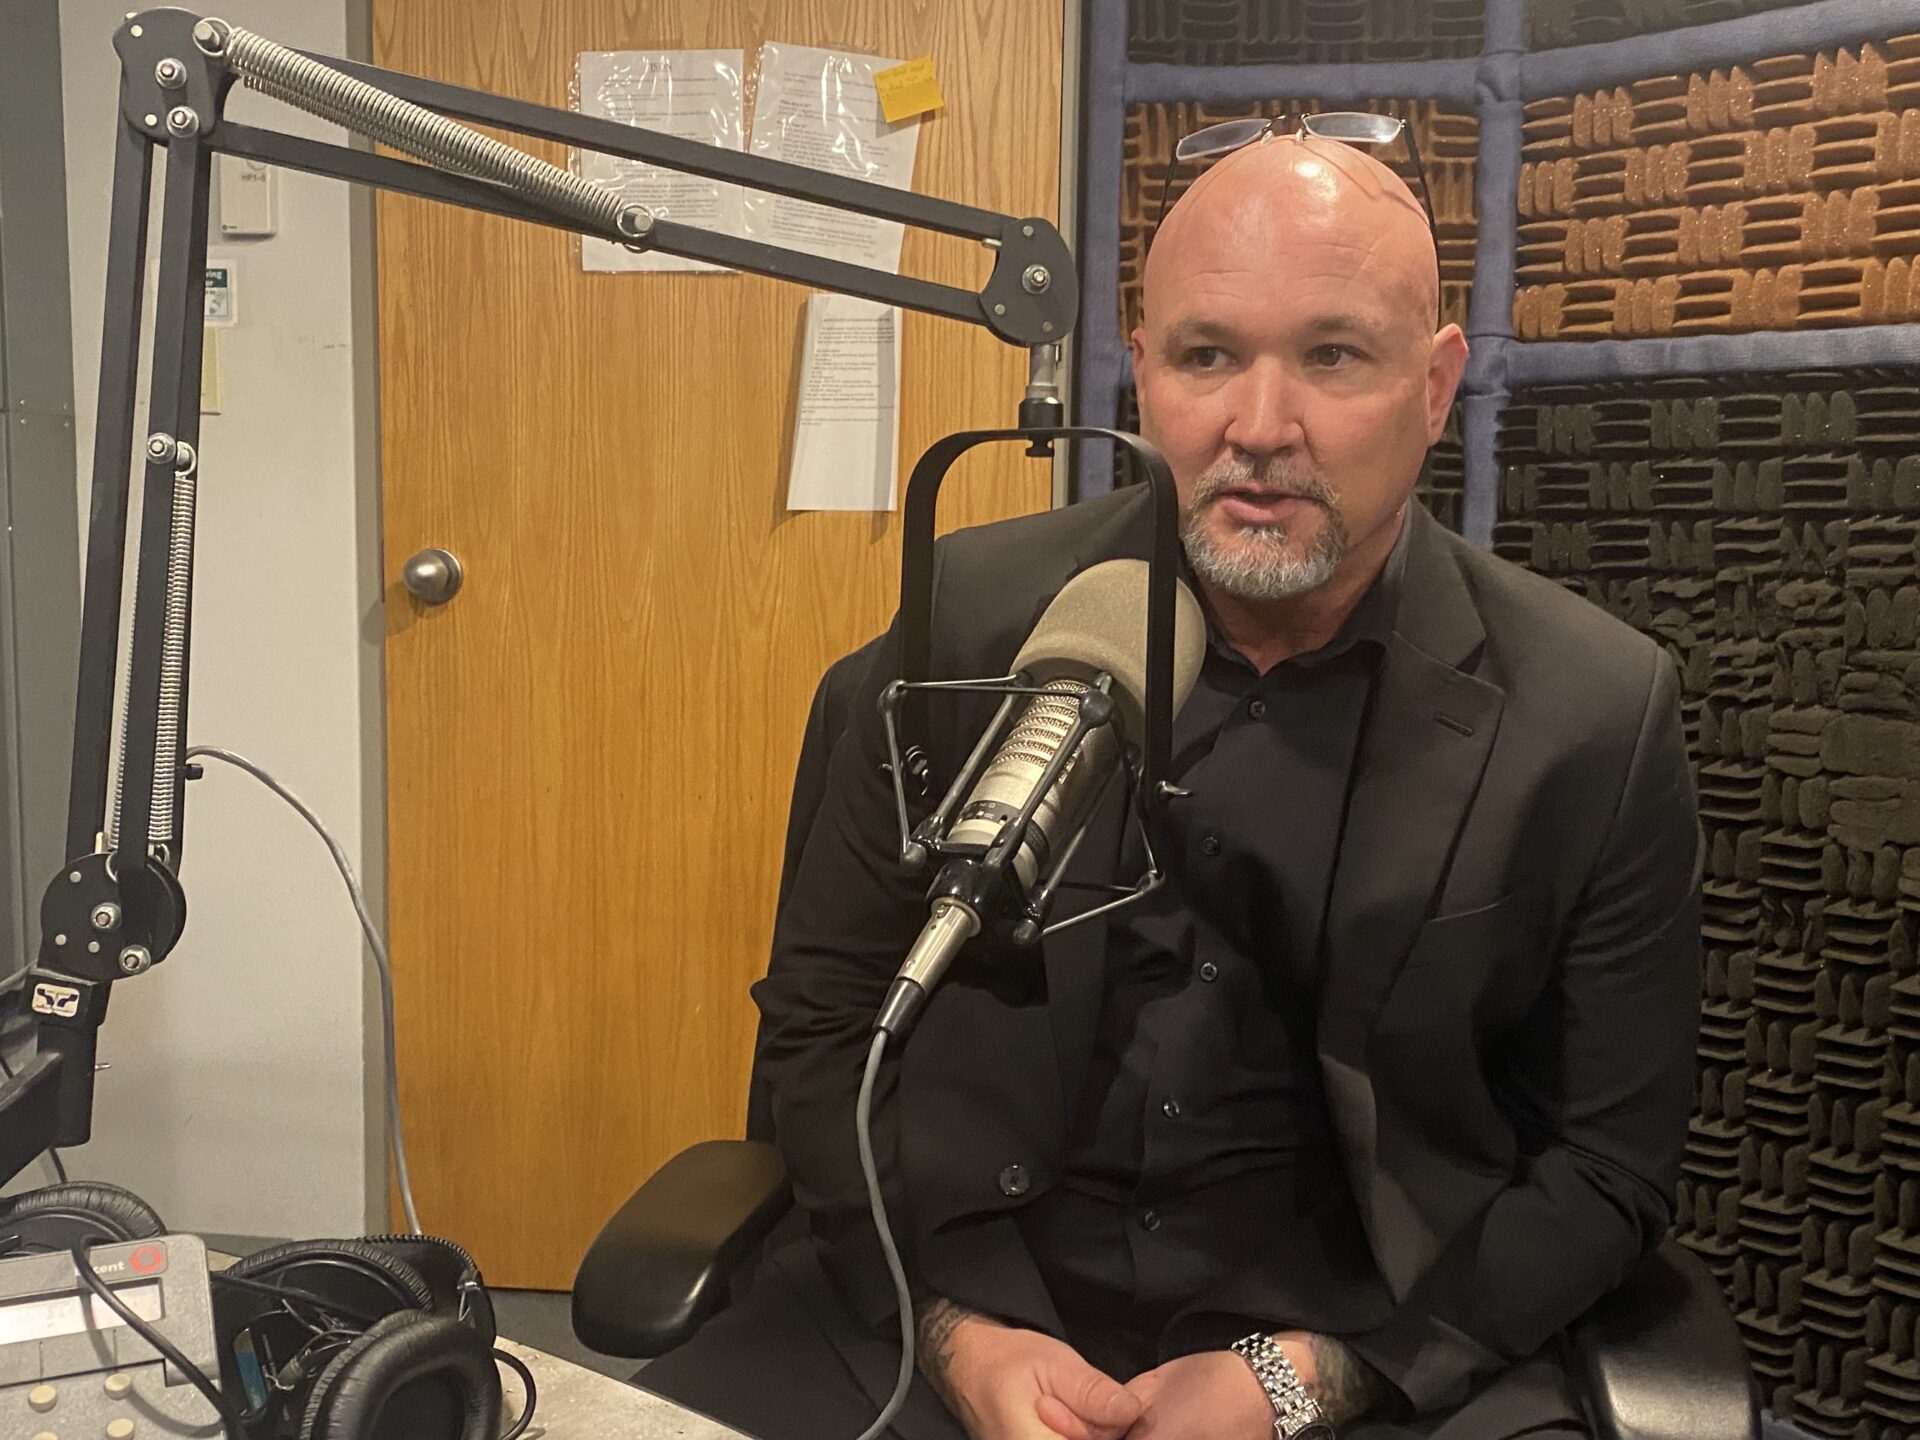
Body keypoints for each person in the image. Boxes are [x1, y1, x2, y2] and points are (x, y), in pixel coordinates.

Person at [639, 132, 1702, 1440]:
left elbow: (1607, 1170)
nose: (1260, 429)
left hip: (1366, 1354)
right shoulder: (961, 627)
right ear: (1139, 373)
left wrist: (1309, 1378)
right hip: (953, 1317)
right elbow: (822, 1025)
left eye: (1332, 355)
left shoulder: (1592, 712)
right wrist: (952, 1335)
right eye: (1207, 355)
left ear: (1435, 388)